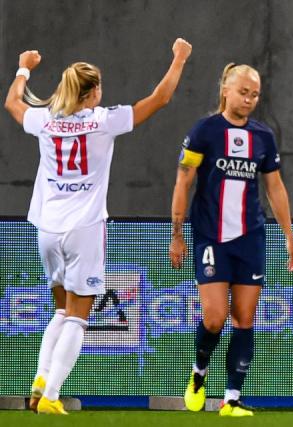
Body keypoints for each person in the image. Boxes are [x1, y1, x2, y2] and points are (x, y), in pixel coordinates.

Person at [3, 38, 192, 415]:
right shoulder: (103, 121)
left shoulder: (45, 120)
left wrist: (24, 67)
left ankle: (40, 383)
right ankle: (53, 397)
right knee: (78, 315)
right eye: (99, 87)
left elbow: (12, 103)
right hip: (84, 228)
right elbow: (159, 99)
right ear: (90, 94)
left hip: (46, 228)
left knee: (60, 310)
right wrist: (179, 59)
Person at [170, 63, 293, 417]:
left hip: (250, 238)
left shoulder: (263, 137)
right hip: (211, 236)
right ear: (225, 89)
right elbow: (184, 181)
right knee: (214, 317)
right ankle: (199, 373)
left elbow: (275, 187)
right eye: (243, 92)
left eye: (255, 94)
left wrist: (289, 235)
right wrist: (177, 233)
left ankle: (231, 399)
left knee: (245, 318)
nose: (249, 99)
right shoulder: (204, 131)